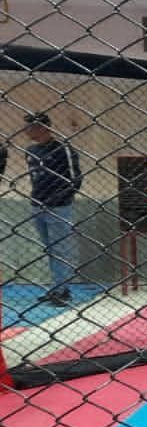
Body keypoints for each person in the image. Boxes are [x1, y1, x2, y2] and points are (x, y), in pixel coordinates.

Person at [22, 112, 82, 306]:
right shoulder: (31, 150)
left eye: (30, 127)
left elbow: (75, 179)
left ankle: (63, 290)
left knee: (60, 249)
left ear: (43, 128)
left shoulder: (63, 149)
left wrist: (60, 198)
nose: (26, 131)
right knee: (50, 249)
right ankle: (57, 287)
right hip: (37, 204)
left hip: (58, 207)